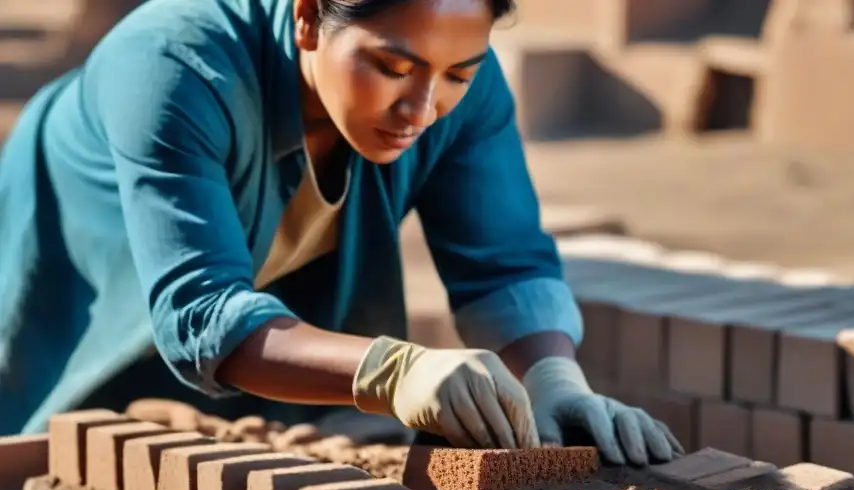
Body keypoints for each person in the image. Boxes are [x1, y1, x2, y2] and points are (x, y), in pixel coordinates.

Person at [0, 0, 683, 466]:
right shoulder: (172, 68)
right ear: (305, 18)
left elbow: (503, 264)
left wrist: (555, 378)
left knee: (212, 456)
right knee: (46, 436)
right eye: (391, 68)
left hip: (253, 295)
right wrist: (391, 370)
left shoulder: (463, 94)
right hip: (80, 248)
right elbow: (203, 311)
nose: (421, 108)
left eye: (455, 75)